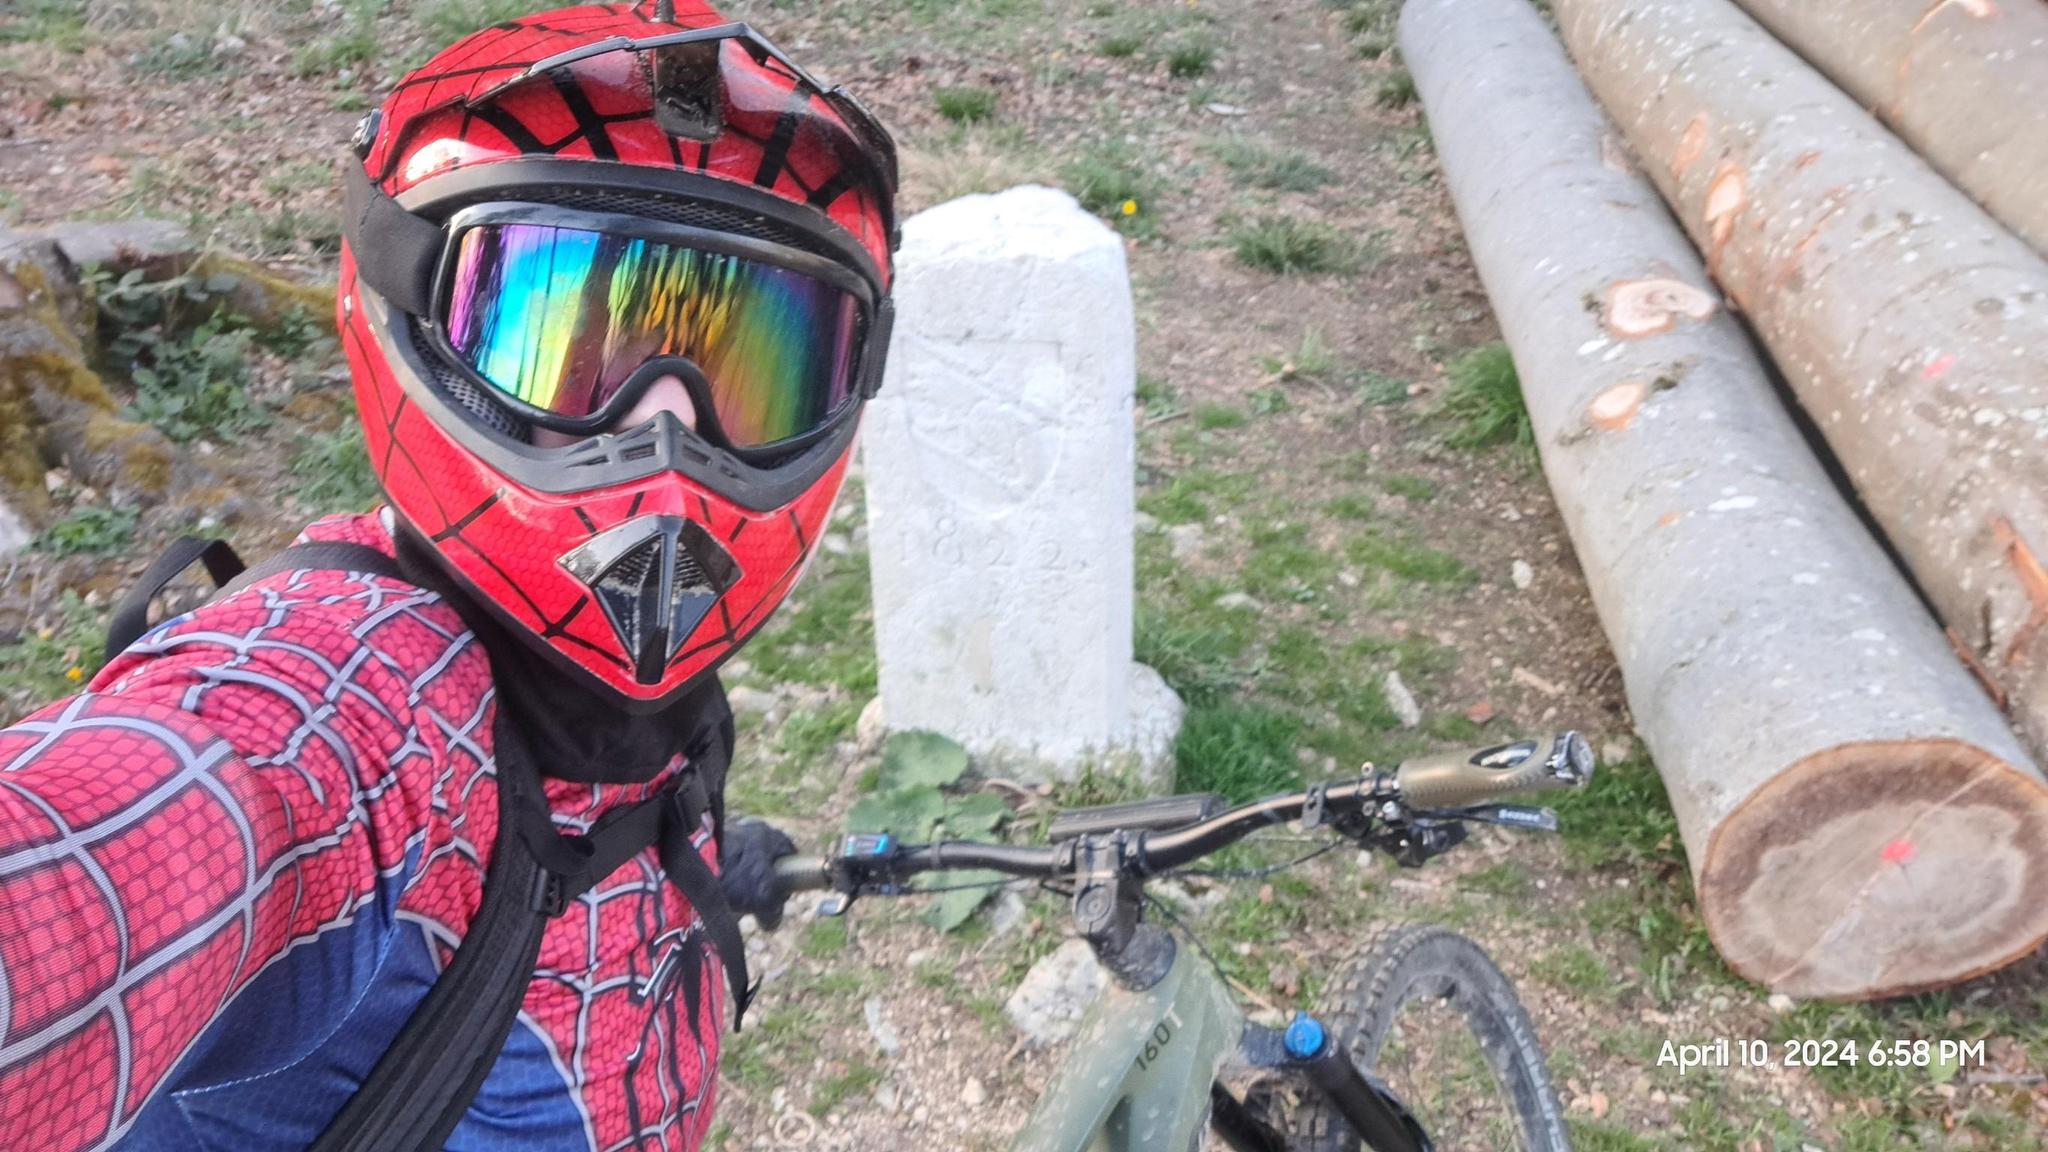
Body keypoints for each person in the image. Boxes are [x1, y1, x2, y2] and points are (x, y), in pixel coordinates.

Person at [0, 3, 897, 1148]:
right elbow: (107, 852)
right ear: (404, 302)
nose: (664, 442)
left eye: (755, 369)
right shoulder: (331, 713)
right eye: (568, 348)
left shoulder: (635, 720)